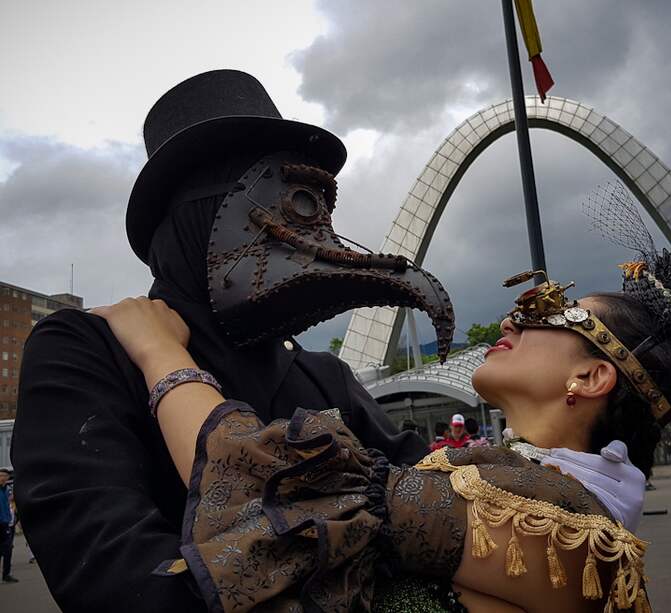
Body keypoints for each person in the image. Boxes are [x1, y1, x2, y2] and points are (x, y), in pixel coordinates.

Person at [85, 152, 671, 611]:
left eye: (553, 309)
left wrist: (161, 354)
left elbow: (276, 478)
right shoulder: (507, 487)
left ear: (589, 377)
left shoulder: (558, 522)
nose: (520, 309)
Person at [11, 70, 455, 611]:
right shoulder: (87, 348)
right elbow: (113, 570)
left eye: (321, 207)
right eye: (296, 202)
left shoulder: (324, 374)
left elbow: (448, 507)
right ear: (200, 215)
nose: (316, 234)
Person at [0, 468, 16, 584]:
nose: (3, 477)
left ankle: (6, 574)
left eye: (5, 475)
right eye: (1, 475)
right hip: (0, 522)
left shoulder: (7, 490)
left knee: (8, 549)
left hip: (7, 522)